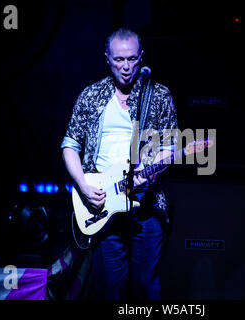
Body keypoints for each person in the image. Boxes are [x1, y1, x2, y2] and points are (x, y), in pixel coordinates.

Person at [60, 28, 178, 300]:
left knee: (145, 287)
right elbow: (70, 146)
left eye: (132, 59)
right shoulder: (90, 96)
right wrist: (83, 185)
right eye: (119, 60)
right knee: (109, 288)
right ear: (107, 58)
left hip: (146, 205)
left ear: (142, 57)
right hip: (102, 204)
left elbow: (170, 148)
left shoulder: (158, 96)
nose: (126, 67)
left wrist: (148, 172)